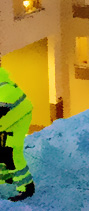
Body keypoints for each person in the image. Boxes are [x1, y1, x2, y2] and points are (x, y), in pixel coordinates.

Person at [0, 67, 33, 202]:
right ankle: (6, 178)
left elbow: (5, 106)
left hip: (17, 116)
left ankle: (26, 188)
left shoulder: (4, 90)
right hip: (9, 115)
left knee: (11, 153)